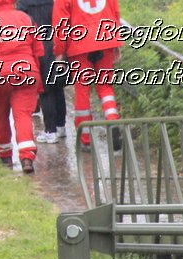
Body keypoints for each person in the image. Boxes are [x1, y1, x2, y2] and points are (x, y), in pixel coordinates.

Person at [52, 0, 121, 149]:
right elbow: (115, 13)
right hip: (105, 39)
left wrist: (60, 51)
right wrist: (116, 42)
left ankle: (86, 138)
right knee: (105, 86)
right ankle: (112, 118)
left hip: (80, 44)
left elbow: (61, 24)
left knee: (82, 89)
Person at [0, 1, 39, 172]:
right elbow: (38, 50)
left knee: (0, 113)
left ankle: (5, 155)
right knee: (23, 115)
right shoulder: (25, 19)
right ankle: (27, 157)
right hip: (26, 72)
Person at [16, 0, 65, 143]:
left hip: (37, 42)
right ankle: (61, 126)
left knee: (45, 88)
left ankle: (50, 130)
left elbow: (22, 21)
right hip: (55, 39)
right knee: (57, 85)